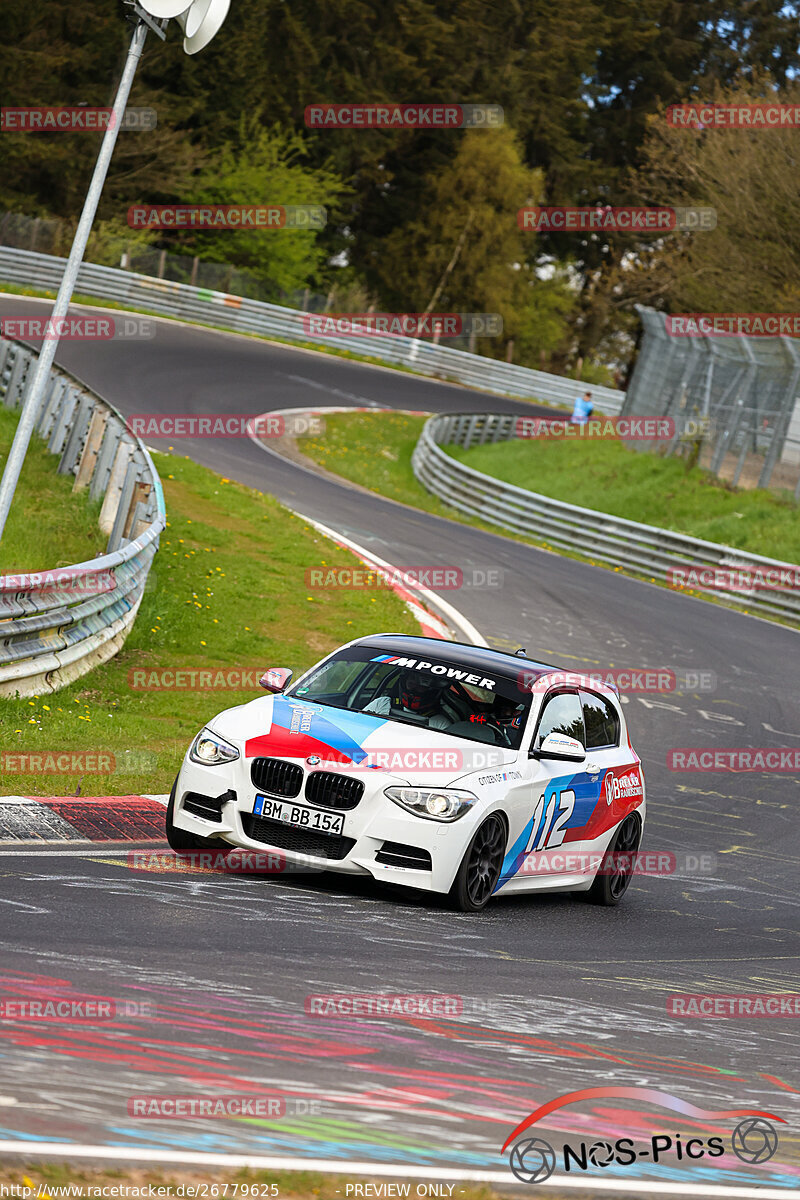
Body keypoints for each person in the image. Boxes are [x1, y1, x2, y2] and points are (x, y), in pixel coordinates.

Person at [363, 670, 454, 729]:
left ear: (431, 689)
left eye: (421, 685)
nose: (414, 686)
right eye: (412, 680)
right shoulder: (382, 703)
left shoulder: (441, 724)